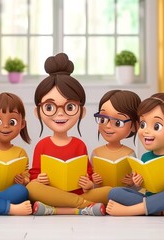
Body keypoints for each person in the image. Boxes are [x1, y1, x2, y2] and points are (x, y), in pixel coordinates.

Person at [26, 53, 111, 216]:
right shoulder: (42, 145)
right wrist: (40, 180)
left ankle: (57, 210)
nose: (60, 114)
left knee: (108, 191)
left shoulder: (79, 145)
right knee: (31, 188)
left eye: (69, 107)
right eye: (49, 107)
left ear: (82, 111)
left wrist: (88, 184)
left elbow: (89, 176)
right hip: (52, 194)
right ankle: (84, 207)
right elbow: (34, 178)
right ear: (38, 112)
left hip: (76, 193)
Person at [107, 90, 164, 216]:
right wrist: (138, 181)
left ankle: (134, 210)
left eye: (156, 126)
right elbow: (143, 184)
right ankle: (160, 210)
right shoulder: (145, 157)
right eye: (143, 124)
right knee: (114, 192)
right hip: (149, 198)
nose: (146, 131)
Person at [91, 90, 141, 187]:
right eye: (103, 119)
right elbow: (89, 182)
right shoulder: (95, 153)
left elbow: (138, 185)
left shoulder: (130, 154)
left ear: (135, 126)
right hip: (101, 193)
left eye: (118, 122)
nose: (108, 126)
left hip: (122, 194)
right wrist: (93, 180)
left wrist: (132, 182)